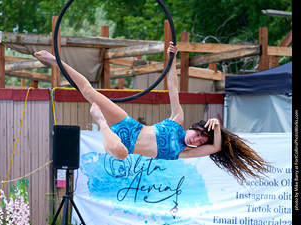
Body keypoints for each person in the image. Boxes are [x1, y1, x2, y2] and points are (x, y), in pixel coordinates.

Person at [34, 42, 270, 183]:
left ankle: (100, 123)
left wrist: (217, 127)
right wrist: (172, 58)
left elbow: (217, 147)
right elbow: (173, 87)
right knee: (88, 91)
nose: (196, 140)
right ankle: (55, 60)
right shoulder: (177, 121)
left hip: (120, 144)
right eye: (199, 134)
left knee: (121, 152)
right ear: (193, 128)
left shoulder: (185, 152)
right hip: (129, 126)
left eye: (200, 141)